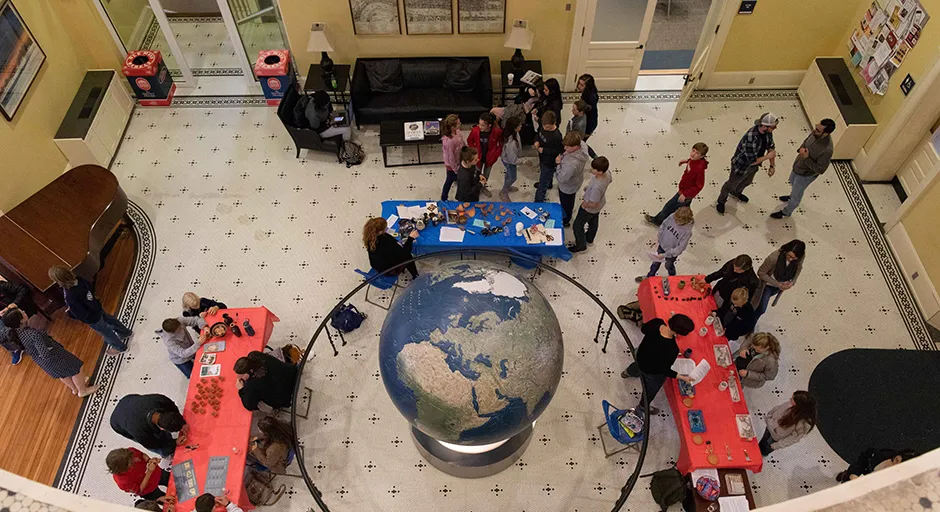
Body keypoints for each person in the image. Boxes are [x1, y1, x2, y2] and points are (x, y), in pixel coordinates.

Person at [1, 308, 99, 396]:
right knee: (77, 369)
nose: (24, 311)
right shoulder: (33, 335)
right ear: (21, 321)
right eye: (21, 312)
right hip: (54, 356)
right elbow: (45, 353)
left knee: (62, 374)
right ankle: (82, 390)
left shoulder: (12, 332)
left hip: (41, 361)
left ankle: (75, 388)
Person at [620, 315, 696, 415]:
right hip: (650, 370)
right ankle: (643, 407)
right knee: (652, 388)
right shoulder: (672, 349)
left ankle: (627, 372)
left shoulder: (657, 322)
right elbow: (664, 370)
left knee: (637, 365)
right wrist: (682, 377)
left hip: (641, 355)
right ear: (680, 333)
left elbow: (643, 329)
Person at [49, 266, 133, 355]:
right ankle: (125, 332)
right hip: (96, 306)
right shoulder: (78, 279)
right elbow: (89, 285)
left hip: (91, 317)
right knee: (109, 319)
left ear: (58, 280)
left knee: (106, 332)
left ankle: (120, 348)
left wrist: (70, 313)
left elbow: (80, 314)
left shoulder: (70, 296)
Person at [771, 119, 836, 219]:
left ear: (826, 133)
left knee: (797, 195)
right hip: (797, 167)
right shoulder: (815, 133)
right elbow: (806, 142)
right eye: (816, 127)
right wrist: (800, 149)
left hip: (805, 175)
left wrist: (806, 158)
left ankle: (787, 211)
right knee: (792, 182)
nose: (814, 131)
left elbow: (821, 169)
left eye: (818, 130)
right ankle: (791, 195)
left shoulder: (827, 150)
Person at [716, 113, 778, 215]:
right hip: (741, 166)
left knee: (747, 181)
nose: (775, 128)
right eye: (773, 127)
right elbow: (752, 160)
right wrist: (767, 157)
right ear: (764, 126)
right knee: (730, 184)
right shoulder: (751, 138)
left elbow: (771, 148)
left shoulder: (768, 133)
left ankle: (736, 193)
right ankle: (721, 201)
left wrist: (772, 165)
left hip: (754, 165)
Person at [646, 142, 709, 226]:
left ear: (702, 156)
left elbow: (699, 186)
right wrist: (686, 161)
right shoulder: (694, 160)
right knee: (684, 206)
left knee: (669, 207)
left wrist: (685, 194)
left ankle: (658, 220)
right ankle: (686, 218)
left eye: (697, 153)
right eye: (693, 150)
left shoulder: (699, 170)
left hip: (684, 193)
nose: (693, 154)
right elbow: (691, 161)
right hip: (685, 191)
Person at [111, 394, 187, 457]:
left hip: (128, 400)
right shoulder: (141, 433)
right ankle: (168, 453)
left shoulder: (159, 400)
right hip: (117, 422)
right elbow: (154, 445)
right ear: (162, 429)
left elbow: (172, 406)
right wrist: (174, 443)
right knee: (162, 448)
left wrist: (182, 423)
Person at [636, 206, 694, 282]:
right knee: (655, 262)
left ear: (685, 221)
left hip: (671, 253)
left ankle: (673, 278)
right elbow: (663, 225)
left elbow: (680, 249)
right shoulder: (672, 216)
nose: (675, 221)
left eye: (678, 221)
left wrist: (665, 255)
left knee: (669, 266)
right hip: (662, 246)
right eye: (675, 219)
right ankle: (650, 276)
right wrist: (659, 238)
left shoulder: (687, 232)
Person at [754, 240, 806, 322]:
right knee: (761, 309)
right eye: (789, 256)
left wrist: (792, 282)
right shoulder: (773, 258)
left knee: (759, 306)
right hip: (767, 286)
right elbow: (761, 273)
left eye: (794, 258)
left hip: (779, 286)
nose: (791, 259)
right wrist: (778, 284)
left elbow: (799, 267)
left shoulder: (799, 258)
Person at [568, 156, 612, 254]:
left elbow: (594, 203)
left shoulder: (597, 186)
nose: (591, 170)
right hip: (601, 203)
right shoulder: (607, 173)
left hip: (590, 208)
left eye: (593, 169)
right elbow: (609, 181)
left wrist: (584, 205)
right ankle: (589, 239)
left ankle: (581, 246)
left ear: (600, 172)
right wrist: (589, 188)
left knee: (577, 226)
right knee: (593, 221)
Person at [759, 391, 817, 456]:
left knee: (765, 449)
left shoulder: (803, 424)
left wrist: (776, 445)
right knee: (762, 442)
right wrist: (769, 418)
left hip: (776, 438)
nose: (790, 399)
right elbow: (777, 408)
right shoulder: (791, 404)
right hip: (770, 427)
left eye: (793, 399)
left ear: (800, 405)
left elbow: (793, 439)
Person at [555, 132, 591, 227]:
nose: (564, 149)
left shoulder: (570, 164)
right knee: (571, 200)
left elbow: (562, 179)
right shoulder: (582, 145)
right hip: (576, 181)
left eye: (567, 147)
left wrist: (558, 164)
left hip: (567, 187)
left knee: (566, 204)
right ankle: (568, 212)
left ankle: (566, 220)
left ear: (575, 146)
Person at [467, 112, 503, 197]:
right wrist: (474, 151)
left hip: (490, 158)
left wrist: (496, 154)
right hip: (477, 157)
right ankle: (476, 188)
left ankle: (483, 188)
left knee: (486, 175)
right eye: (479, 124)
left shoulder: (497, 131)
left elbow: (501, 143)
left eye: (482, 125)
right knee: (476, 174)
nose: (479, 127)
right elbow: (470, 141)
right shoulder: (475, 130)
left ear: (489, 125)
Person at [836, 448, 918, 482]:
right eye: (896, 460)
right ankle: (846, 475)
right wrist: (855, 473)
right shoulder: (885, 454)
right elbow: (864, 458)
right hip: (862, 474)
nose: (894, 465)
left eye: (898, 466)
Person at [533, 111, 563, 202]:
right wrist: (536, 141)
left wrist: (544, 150)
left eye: (547, 127)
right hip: (542, 157)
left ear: (554, 123)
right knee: (545, 175)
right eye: (544, 126)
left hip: (549, 162)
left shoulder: (557, 136)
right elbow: (538, 135)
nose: (545, 128)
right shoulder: (543, 126)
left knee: (543, 182)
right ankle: (549, 184)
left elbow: (558, 151)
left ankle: (538, 201)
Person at [440, 114, 464, 201]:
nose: (460, 123)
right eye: (458, 123)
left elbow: (461, 142)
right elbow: (451, 157)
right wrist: (456, 169)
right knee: (449, 180)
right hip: (452, 165)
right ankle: (444, 197)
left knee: (455, 178)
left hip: (458, 159)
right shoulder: (449, 141)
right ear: (453, 127)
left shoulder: (457, 132)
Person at [499, 116, 523, 202]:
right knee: (513, 177)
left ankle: (507, 186)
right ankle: (504, 191)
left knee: (509, 175)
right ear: (515, 128)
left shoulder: (513, 133)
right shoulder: (511, 143)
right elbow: (513, 160)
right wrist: (524, 161)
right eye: (520, 125)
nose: (521, 126)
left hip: (509, 158)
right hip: (509, 161)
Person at [577, 74, 599, 141]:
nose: (578, 86)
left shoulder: (591, 99)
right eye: (579, 84)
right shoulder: (586, 93)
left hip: (588, 125)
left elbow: (592, 116)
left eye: (582, 85)